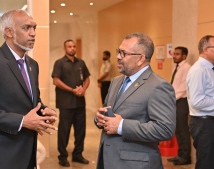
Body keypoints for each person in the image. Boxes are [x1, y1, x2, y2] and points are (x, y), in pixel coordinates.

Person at [0, 9, 57, 169]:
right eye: (26, 28)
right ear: (9, 32)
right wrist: (22, 121)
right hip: (0, 158)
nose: (33, 33)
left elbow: (31, 102)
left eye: (34, 28)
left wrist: (43, 111)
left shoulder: (32, 65)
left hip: (27, 154)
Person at [94, 32, 176, 169]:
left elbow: (165, 129)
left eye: (124, 53)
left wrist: (121, 126)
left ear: (140, 59)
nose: (118, 57)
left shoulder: (158, 86)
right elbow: (107, 111)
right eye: (118, 51)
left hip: (136, 164)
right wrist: (99, 118)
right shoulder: (116, 81)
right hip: (108, 160)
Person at [52, 39, 90, 167]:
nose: (72, 48)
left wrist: (83, 89)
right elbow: (56, 81)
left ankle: (77, 155)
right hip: (66, 103)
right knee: (64, 131)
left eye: (74, 46)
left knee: (80, 131)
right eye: (69, 46)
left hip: (80, 103)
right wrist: (72, 90)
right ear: (65, 48)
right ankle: (62, 156)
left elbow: (87, 78)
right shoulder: (59, 63)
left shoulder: (81, 63)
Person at [186, 35, 214, 169]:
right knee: (206, 163)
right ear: (205, 49)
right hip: (203, 123)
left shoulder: (210, 68)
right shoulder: (198, 70)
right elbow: (197, 101)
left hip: (209, 121)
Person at [167, 46, 191, 165]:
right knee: (177, 128)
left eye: (177, 54)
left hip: (182, 101)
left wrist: (172, 98)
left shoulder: (187, 68)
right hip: (174, 100)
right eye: (174, 54)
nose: (174, 56)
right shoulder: (176, 68)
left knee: (182, 129)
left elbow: (183, 88)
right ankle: (180, 154)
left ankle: (185, 156)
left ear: (184, 56)